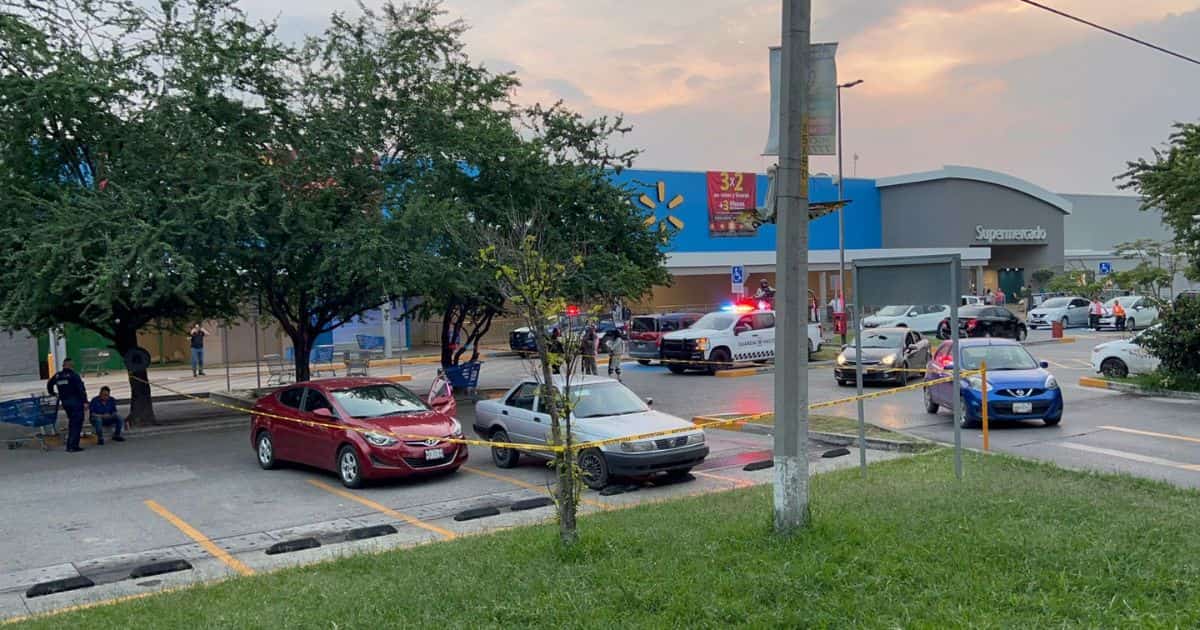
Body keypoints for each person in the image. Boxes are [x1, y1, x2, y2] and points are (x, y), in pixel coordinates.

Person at [47, 358, 88, 453]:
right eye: (72, 365)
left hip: (65, 402)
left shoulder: (58, 376)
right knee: (76, 424)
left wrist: (53, 393)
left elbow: (49, 384)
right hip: (75, 402)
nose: (72, 366)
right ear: (69, 365)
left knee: (72, 422)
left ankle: (73, 445)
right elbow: (81, 389)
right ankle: (72, 446)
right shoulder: (74, 376)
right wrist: (85, 401)